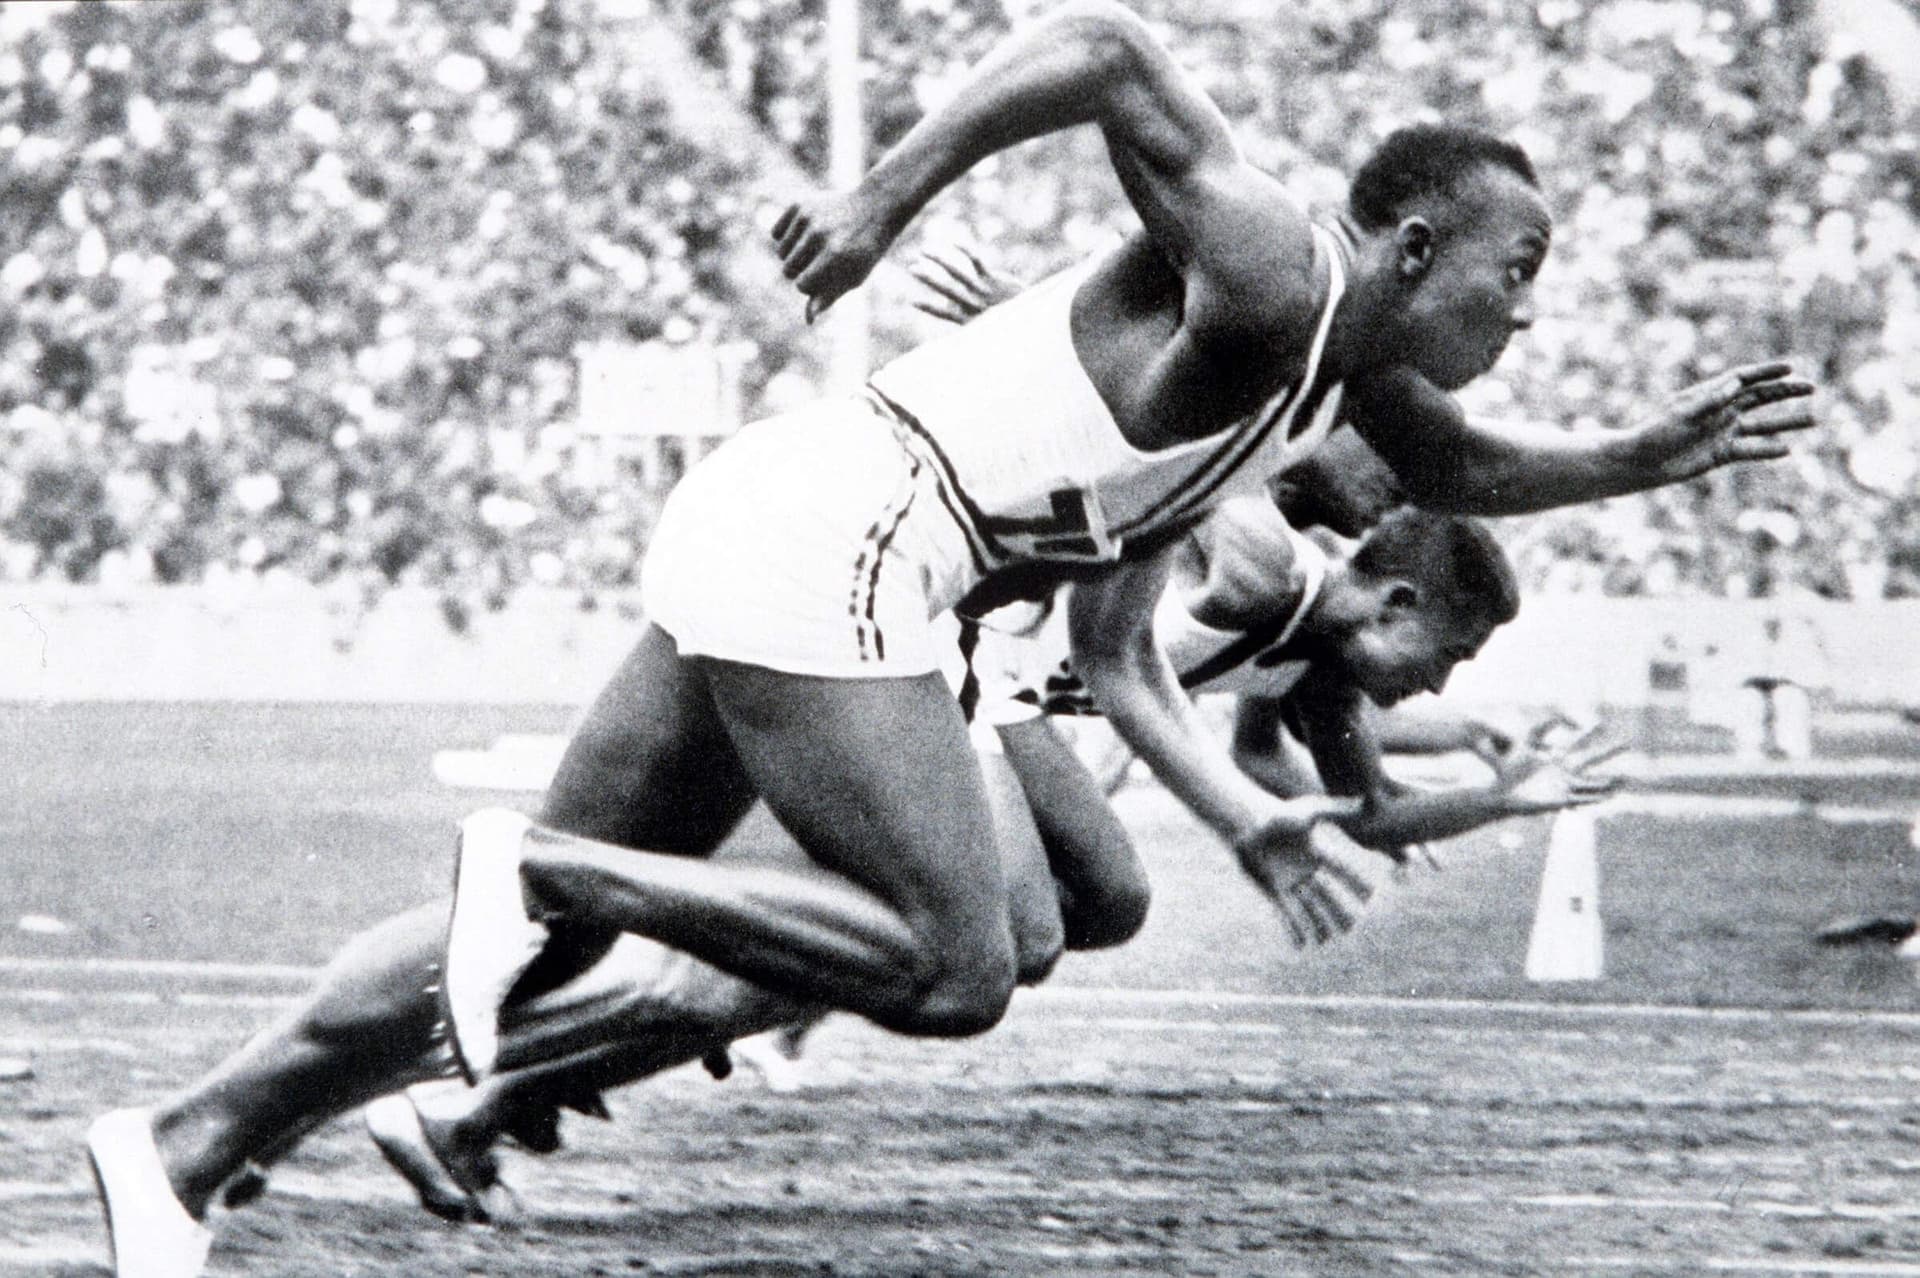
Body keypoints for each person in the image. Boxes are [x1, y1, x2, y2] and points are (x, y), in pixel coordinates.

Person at [90, 4, 1817, 1272]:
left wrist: (1639, 458)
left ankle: (184, 1146)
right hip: (851, 539)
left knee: (520, 972)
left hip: (799, 528)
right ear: (1416, 241)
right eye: (1520, 268)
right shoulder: (1284, 268)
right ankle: (545, 868)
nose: (1532, 305)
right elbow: (1115, 48)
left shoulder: (1334, 370)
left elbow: (1464, 466)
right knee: (958, 959)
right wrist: (880, 200)